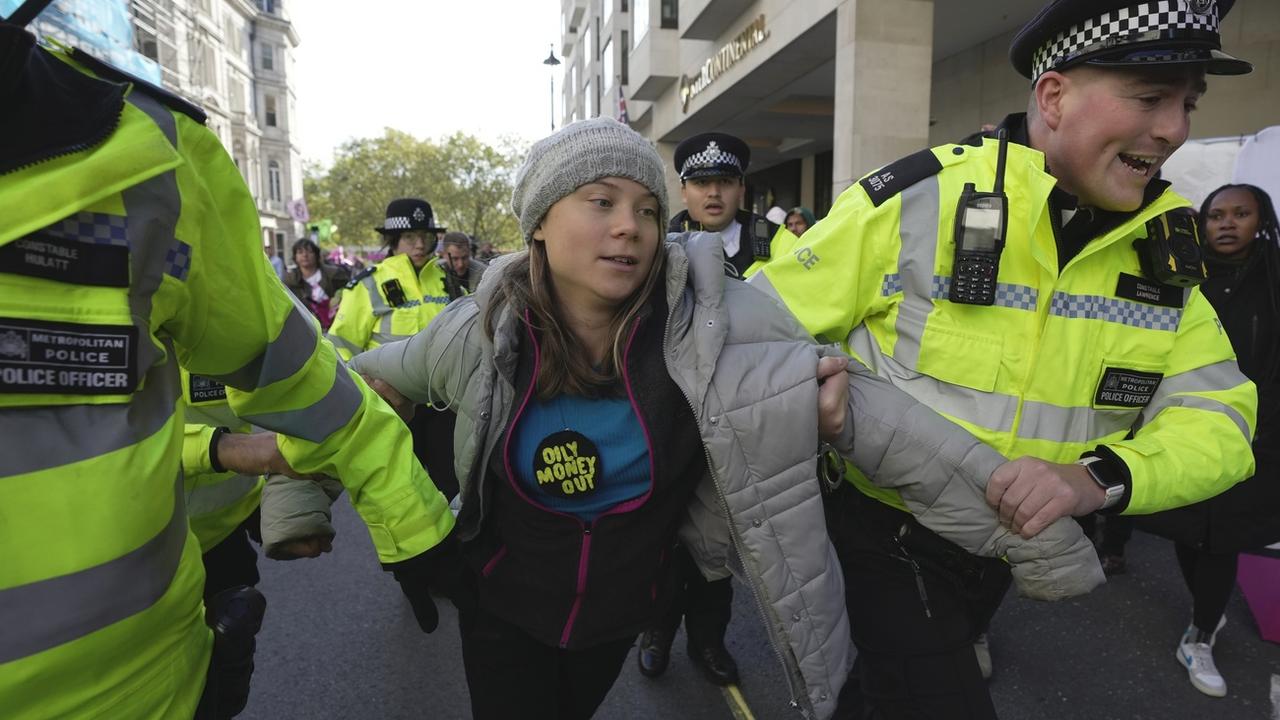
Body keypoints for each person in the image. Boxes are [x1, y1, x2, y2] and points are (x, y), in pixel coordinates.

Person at [336, 117, 1106, 720]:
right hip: (499, 607)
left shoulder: (718, 323)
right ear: (539, 222)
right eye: (600, 202)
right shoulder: (479, 329)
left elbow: (887, 423)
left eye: (644, 206)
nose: (630, 226)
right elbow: (352, 389)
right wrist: (297, 501)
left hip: (620, 610)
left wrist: (1032, 535)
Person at [750, 1, 1258, 717]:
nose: (1175, 128)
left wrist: (1098, 479)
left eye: (1187, 104)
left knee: (881, 689)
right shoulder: (919, 198)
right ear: (1053, 96)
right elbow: (753, 328)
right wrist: (810, 389)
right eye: (1150, 98)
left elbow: (1222, 421)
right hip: (886, 532)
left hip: (1009, 551)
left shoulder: (1165, 255)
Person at [0, 17, 453, 720]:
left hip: (161, 687)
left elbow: (306, 381)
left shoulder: (151, 163)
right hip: (215, 507)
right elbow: (333, 357)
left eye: (430, 235)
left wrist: (413, 526)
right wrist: (228, 451)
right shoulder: (364, 287)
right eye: (414, 236)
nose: (424, 246)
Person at [1139, 183, 1280, 698]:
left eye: (1240, 214)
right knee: (1190, 529)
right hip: (1188, 427)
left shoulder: (1272, 275)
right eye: (1216, 214)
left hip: (1256, 437)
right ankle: (1207, 613)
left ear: (1260, 219)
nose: (1226, 223)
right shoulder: (1183, 273)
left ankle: (1200, 631)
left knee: (1221, 536)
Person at [667, 132, 788, 279]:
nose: (714, 193)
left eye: (725, 182)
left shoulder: (778, 241)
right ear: (684, 192)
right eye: (702, 182)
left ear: (741, 190)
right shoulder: (661, 244)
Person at [283, 237, 350, 330]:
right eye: (300, 252)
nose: (305, 255)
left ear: (316, 255)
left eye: (309, 252)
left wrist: (338, 298)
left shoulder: (334, 274)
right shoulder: (290, 280)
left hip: (336, 324)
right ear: (295, 257)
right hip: (307, 326)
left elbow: (349, 290)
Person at [438, 230, 488, 300]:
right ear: (443, 254)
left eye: (464, 258)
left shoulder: (485, 274)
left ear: (470, 253)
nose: (460, 264)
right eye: (455, 259)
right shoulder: (435, 272)